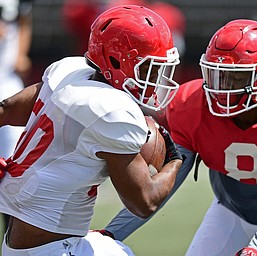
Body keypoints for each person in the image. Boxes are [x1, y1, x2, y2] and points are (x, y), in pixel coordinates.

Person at [102, 19, 257, 256]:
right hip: (229, 212)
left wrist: (256, 249)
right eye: (217, 75)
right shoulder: (191, 107)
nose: (221, 89)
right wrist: (110, 234)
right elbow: (161, 188)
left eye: (236, 78)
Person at [0, 5, 183, 256]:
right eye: (148, 68)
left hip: (18, 243)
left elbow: (7, 109)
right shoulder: (113, 111)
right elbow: (144, 203)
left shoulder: (69, 73)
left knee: (114, 248)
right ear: (117, 60)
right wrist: (175, 160)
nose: (155, 78)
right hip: (52, 250)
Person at [0, 0, 33, 236]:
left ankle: (11, 238)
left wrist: (21, 53)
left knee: (13, 165)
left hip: (6, 82)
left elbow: (23, 18)